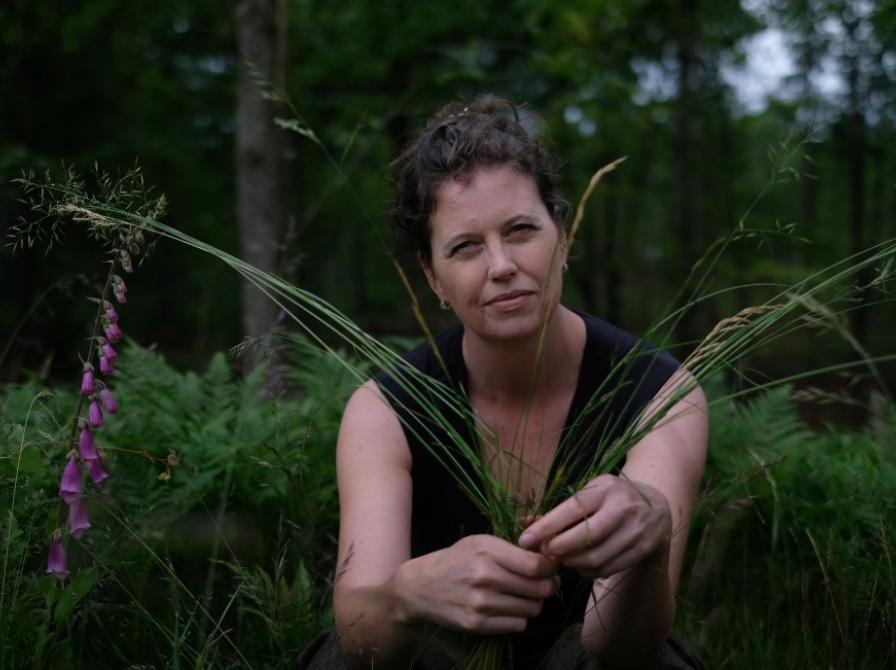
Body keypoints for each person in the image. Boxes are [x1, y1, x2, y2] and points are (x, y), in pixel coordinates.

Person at [299, 96, 708, 669]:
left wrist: (651, 539)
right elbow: (360, 634)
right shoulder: (385, 409)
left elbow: (623, 650)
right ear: (432, 276)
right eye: (465, 247)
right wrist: (405, 597)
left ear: (561, 236)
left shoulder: (659, 392)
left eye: (520, 231)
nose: (500, 266)